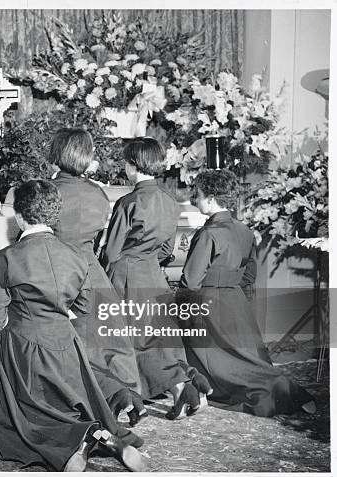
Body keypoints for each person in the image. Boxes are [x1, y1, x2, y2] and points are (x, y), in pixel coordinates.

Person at [0, 180, 144, 472]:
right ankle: (104, 437)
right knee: (70, 404)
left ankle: (79, 441)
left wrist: (10, 330)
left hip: (24, 346)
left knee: (29, 419)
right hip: (67, 344)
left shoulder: (7, 258)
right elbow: (81, 307)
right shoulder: (78, 256)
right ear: (54, 215)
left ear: (19, 215)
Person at [178, 169, 316, 416]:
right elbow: (250, 275)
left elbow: (190, 281)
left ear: (210, 197)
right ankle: (284, 388)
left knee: (231, 366)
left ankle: (280, 390)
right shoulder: (243, 230)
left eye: (196, 194)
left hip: (209, 303)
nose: (192, 198)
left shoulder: (209, 233)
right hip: (235, 302)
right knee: (245, 360)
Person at [101, 137, 209, 420]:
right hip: (153, 274)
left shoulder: (128, 201)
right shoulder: (170, 201)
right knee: (158, 337)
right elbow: (166, 249)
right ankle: (180, 388)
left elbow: (111, 251)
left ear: (133, 166)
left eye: (126, 162)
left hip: (126, 274)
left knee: (130, 341)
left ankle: (131, 397)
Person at [49, 128, 147, 426]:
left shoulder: (46, 190)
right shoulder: (97, 193)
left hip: (55, 266)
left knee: (67, 338)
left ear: (57, 153)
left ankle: (86, 399)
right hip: (91, 268)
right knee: (113, 333)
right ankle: (128, 394)